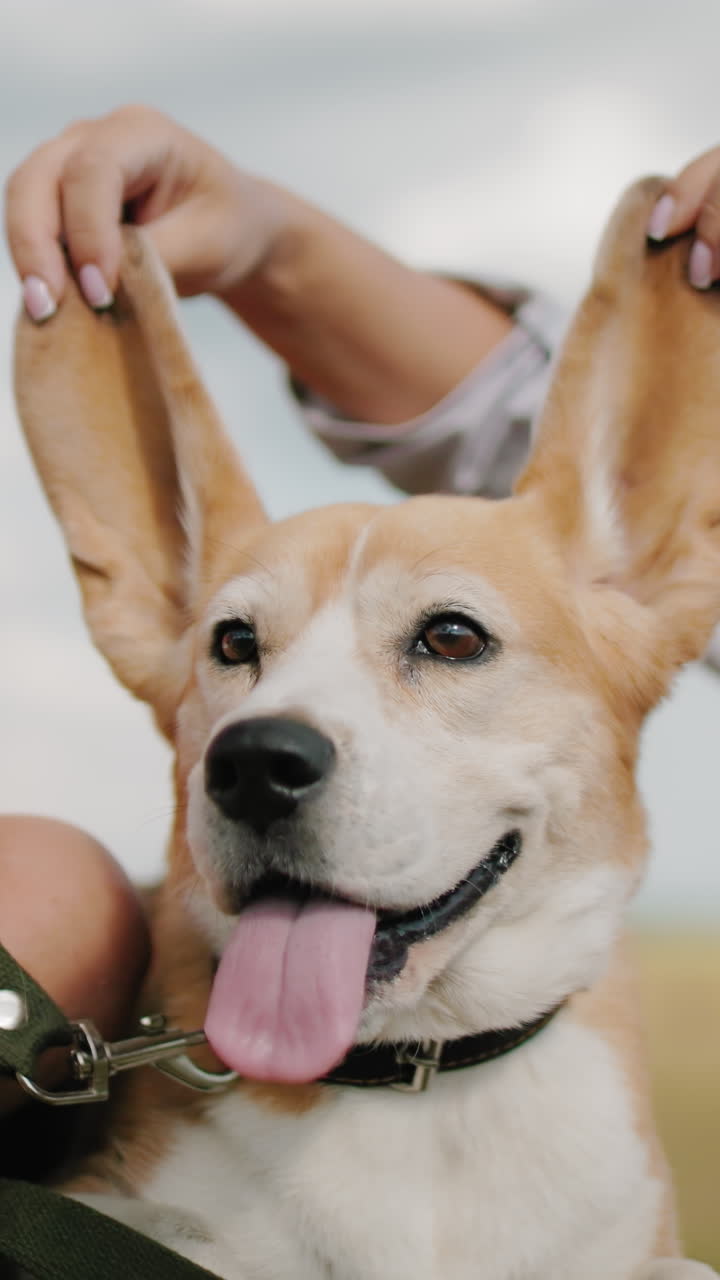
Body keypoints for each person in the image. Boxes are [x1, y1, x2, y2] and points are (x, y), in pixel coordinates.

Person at [3, 106, 720, 1116]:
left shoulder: (621, 573)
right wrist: (268, 238)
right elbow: (496, 409)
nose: (268, 736)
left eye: (449, 636)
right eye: (241, 644)